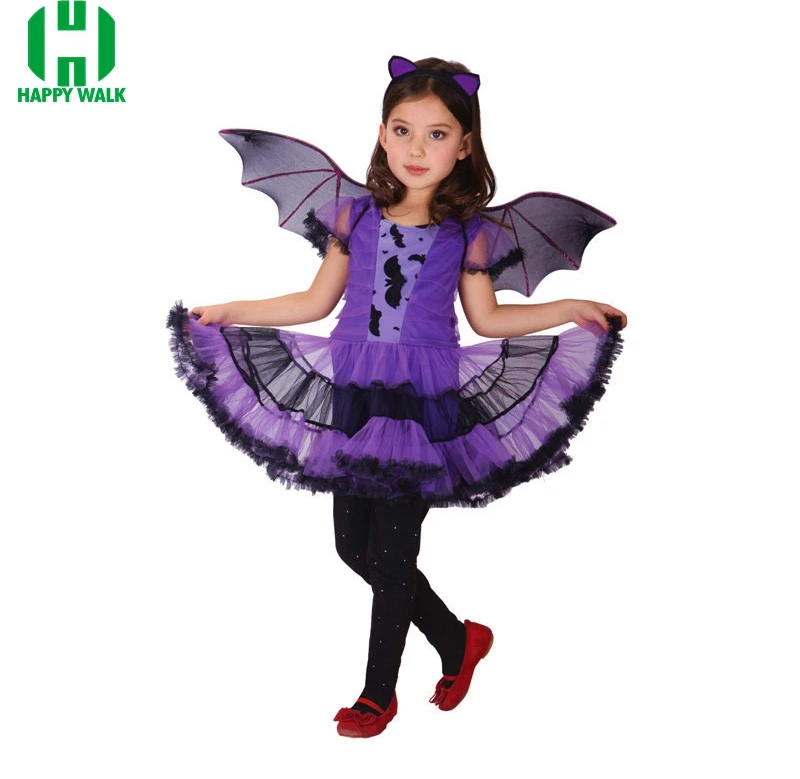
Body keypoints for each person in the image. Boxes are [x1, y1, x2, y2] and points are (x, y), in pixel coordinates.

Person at [168, 56, 627, 738]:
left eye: (438, 135)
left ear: (464, 146)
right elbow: (314, 302)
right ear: (382, 133)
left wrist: (568, 307)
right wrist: (230, 311)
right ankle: (458, 639)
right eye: (404, 130)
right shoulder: (354, 215)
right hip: (353, 390)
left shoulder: (468, 231)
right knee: (352, 548)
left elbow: (488, 320)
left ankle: (377, 694)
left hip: (422, 400)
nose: (418, 149)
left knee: (392, 556)